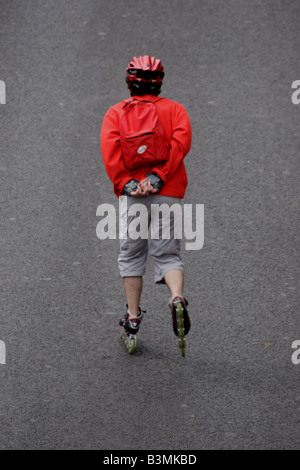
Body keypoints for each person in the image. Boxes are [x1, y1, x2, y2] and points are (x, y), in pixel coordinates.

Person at [100, 55, 192, 353]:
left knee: (132, 256)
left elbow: (110, 152)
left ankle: (133, 319)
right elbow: (180, 146)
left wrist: (127, 183)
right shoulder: (176, 111)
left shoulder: (115, 113)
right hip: (168, 191)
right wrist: (159, 177)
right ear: (160, 82)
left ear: (129, 82)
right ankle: (176, 297)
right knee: (168, 255)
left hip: (134, 196)